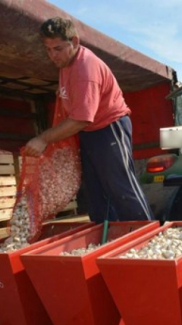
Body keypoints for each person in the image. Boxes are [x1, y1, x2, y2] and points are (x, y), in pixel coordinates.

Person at [24, 17, 154, 223]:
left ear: (74, 41)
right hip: (90, 133)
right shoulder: (67, 63)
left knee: (120, 185)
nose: (52, 56)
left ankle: (147, 233)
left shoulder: (85, 69)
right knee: (96, 191)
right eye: (48, 49)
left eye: (57, 49)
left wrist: (44, 139)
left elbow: (81, 119)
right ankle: (107, 238)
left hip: (109, 128)